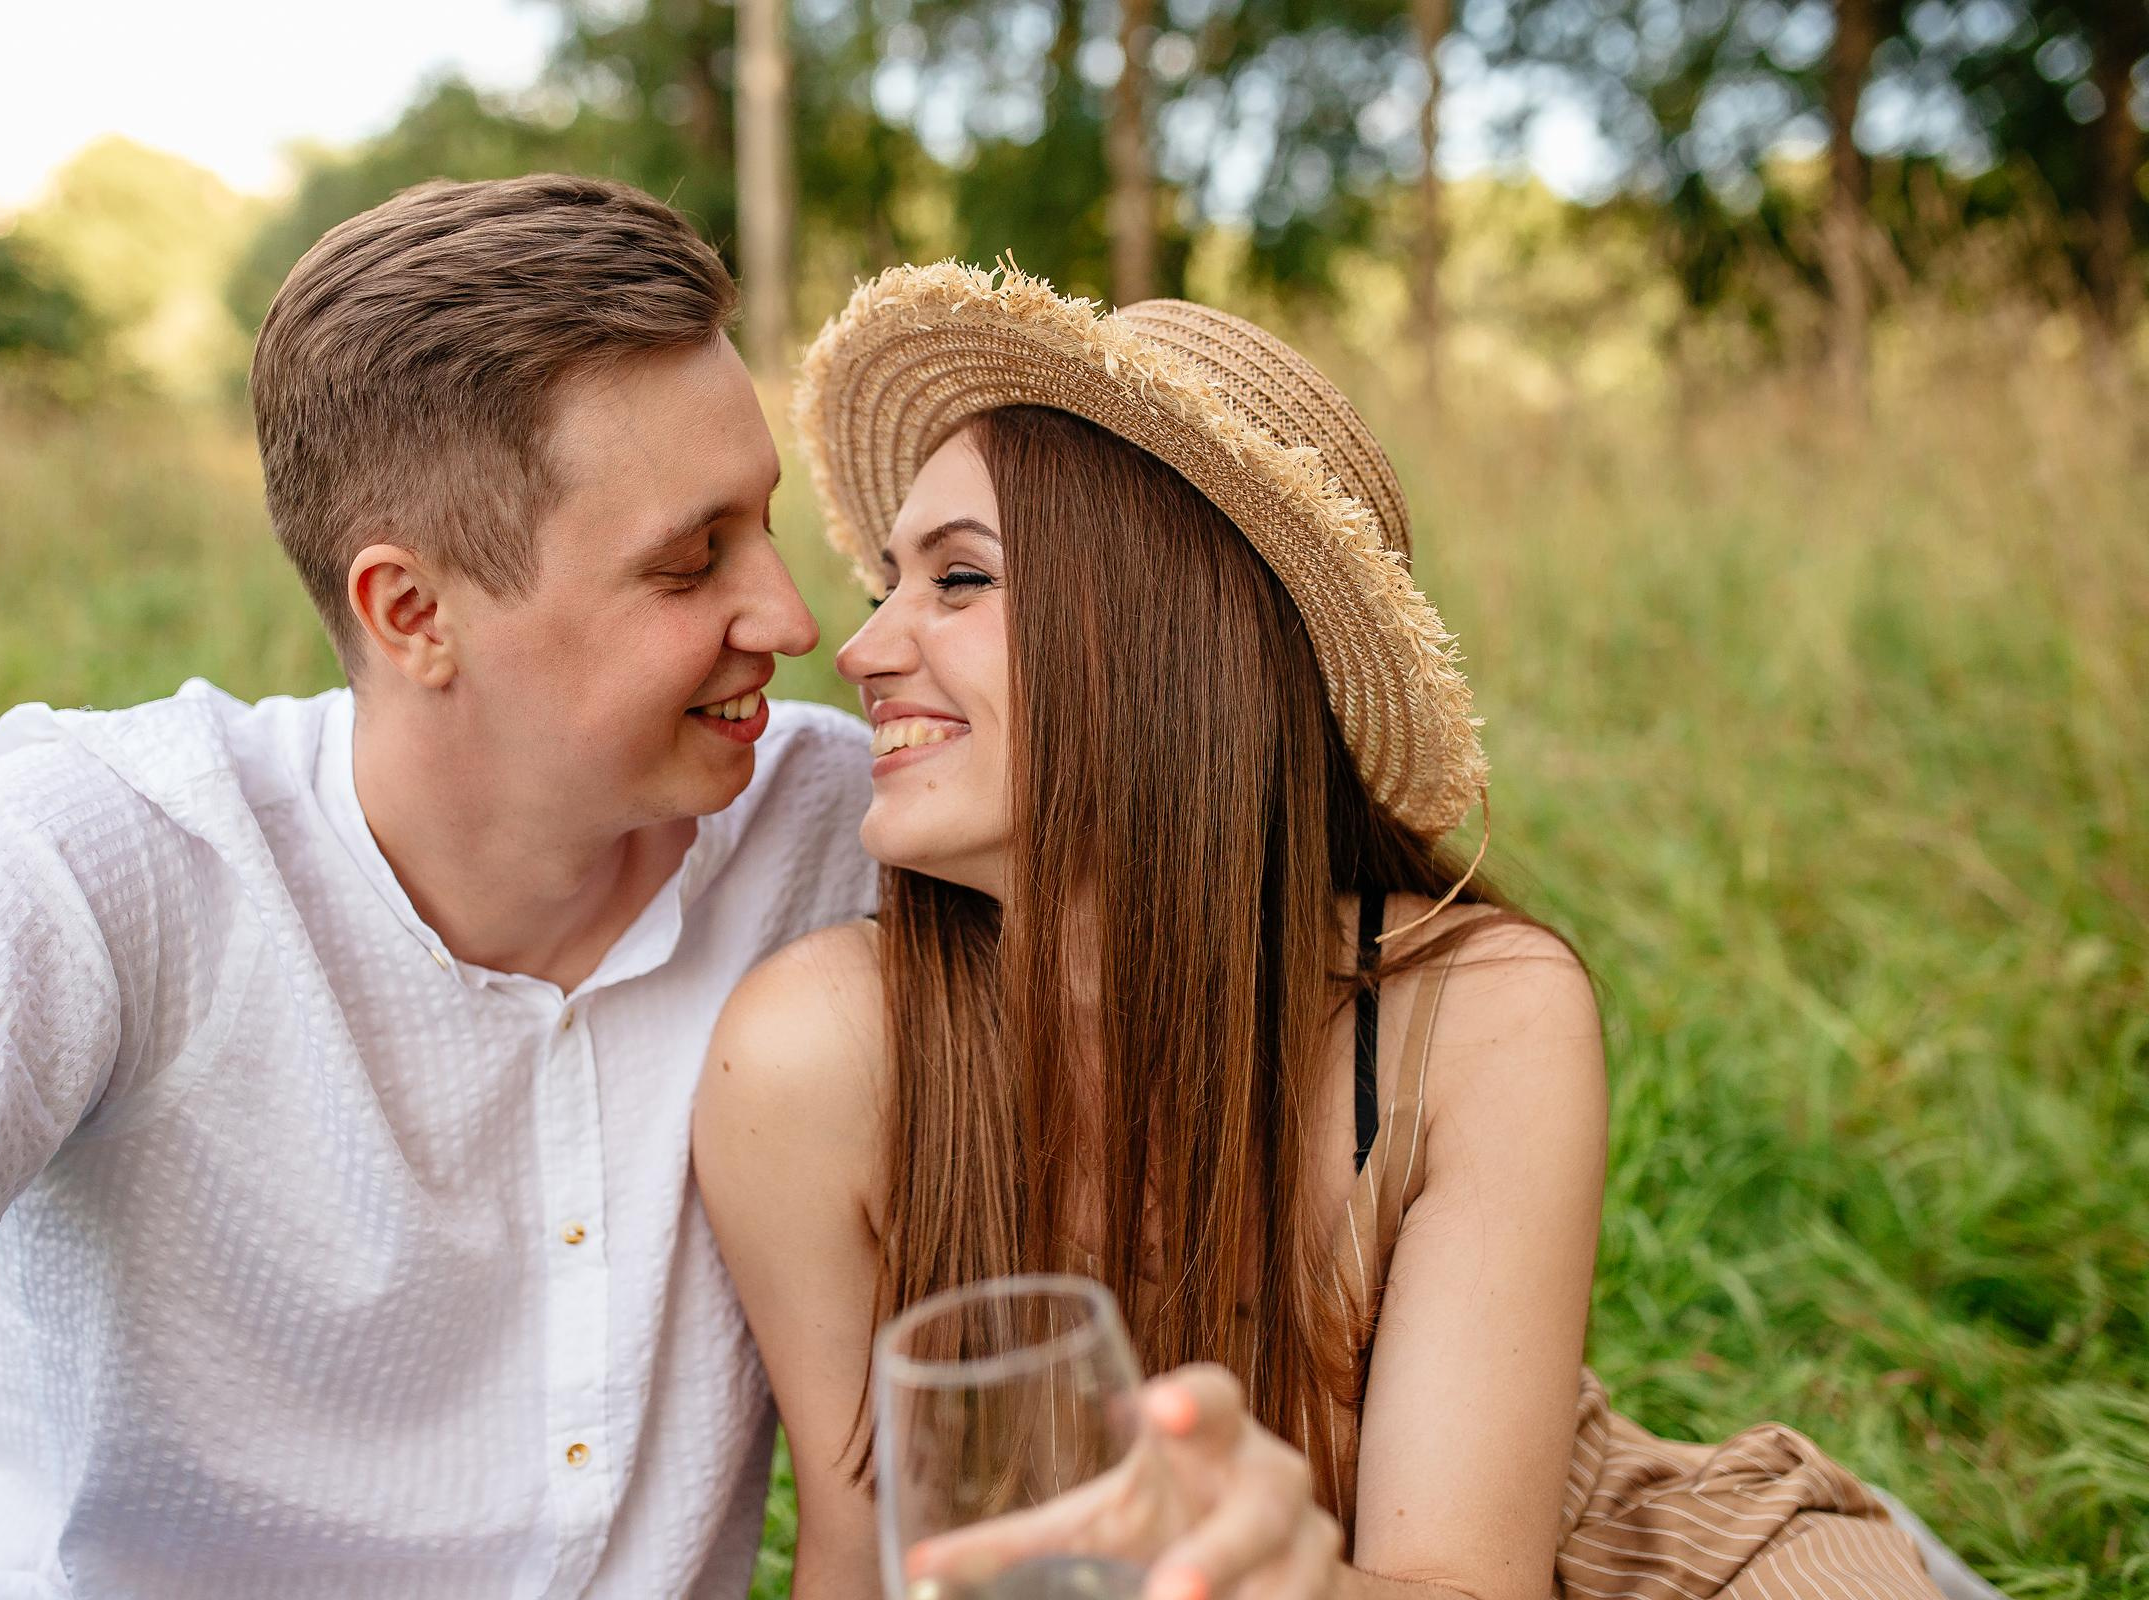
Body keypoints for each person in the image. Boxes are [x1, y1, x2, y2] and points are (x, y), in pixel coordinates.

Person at [695, 262, 2000, 1600]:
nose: (861, 651)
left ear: (1169, 635)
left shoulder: (1476, 1013)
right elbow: (863, 1561)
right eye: (886, 588)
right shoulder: (814, 1058)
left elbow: (1463, 1579)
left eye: (961, 579)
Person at [0, 174, 885, 1599]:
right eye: (689, 562)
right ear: (412, 614)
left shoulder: (841, 829)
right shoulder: (119, 852)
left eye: (764, 524)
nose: (790, 617)